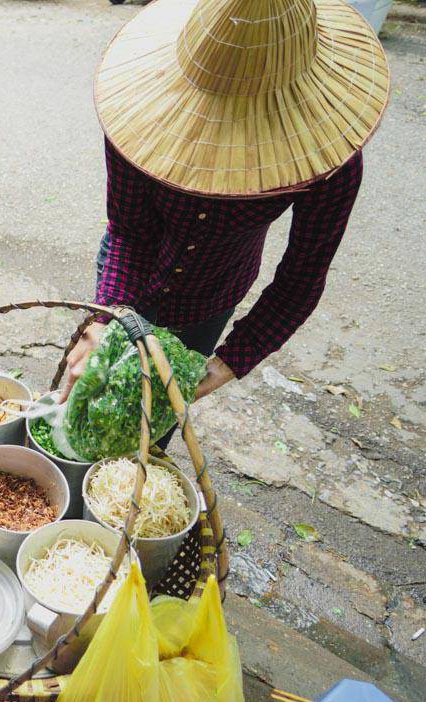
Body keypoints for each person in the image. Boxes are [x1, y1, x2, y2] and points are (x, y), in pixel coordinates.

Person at [62, 0, 390, 435]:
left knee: (147, 432)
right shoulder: (135, 119)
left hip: (210, 296)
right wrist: (103, 321)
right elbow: (130, 233)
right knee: (84, 404)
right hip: (132, 276)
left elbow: (301, 279)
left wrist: (225, 364)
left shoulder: (327, 162)